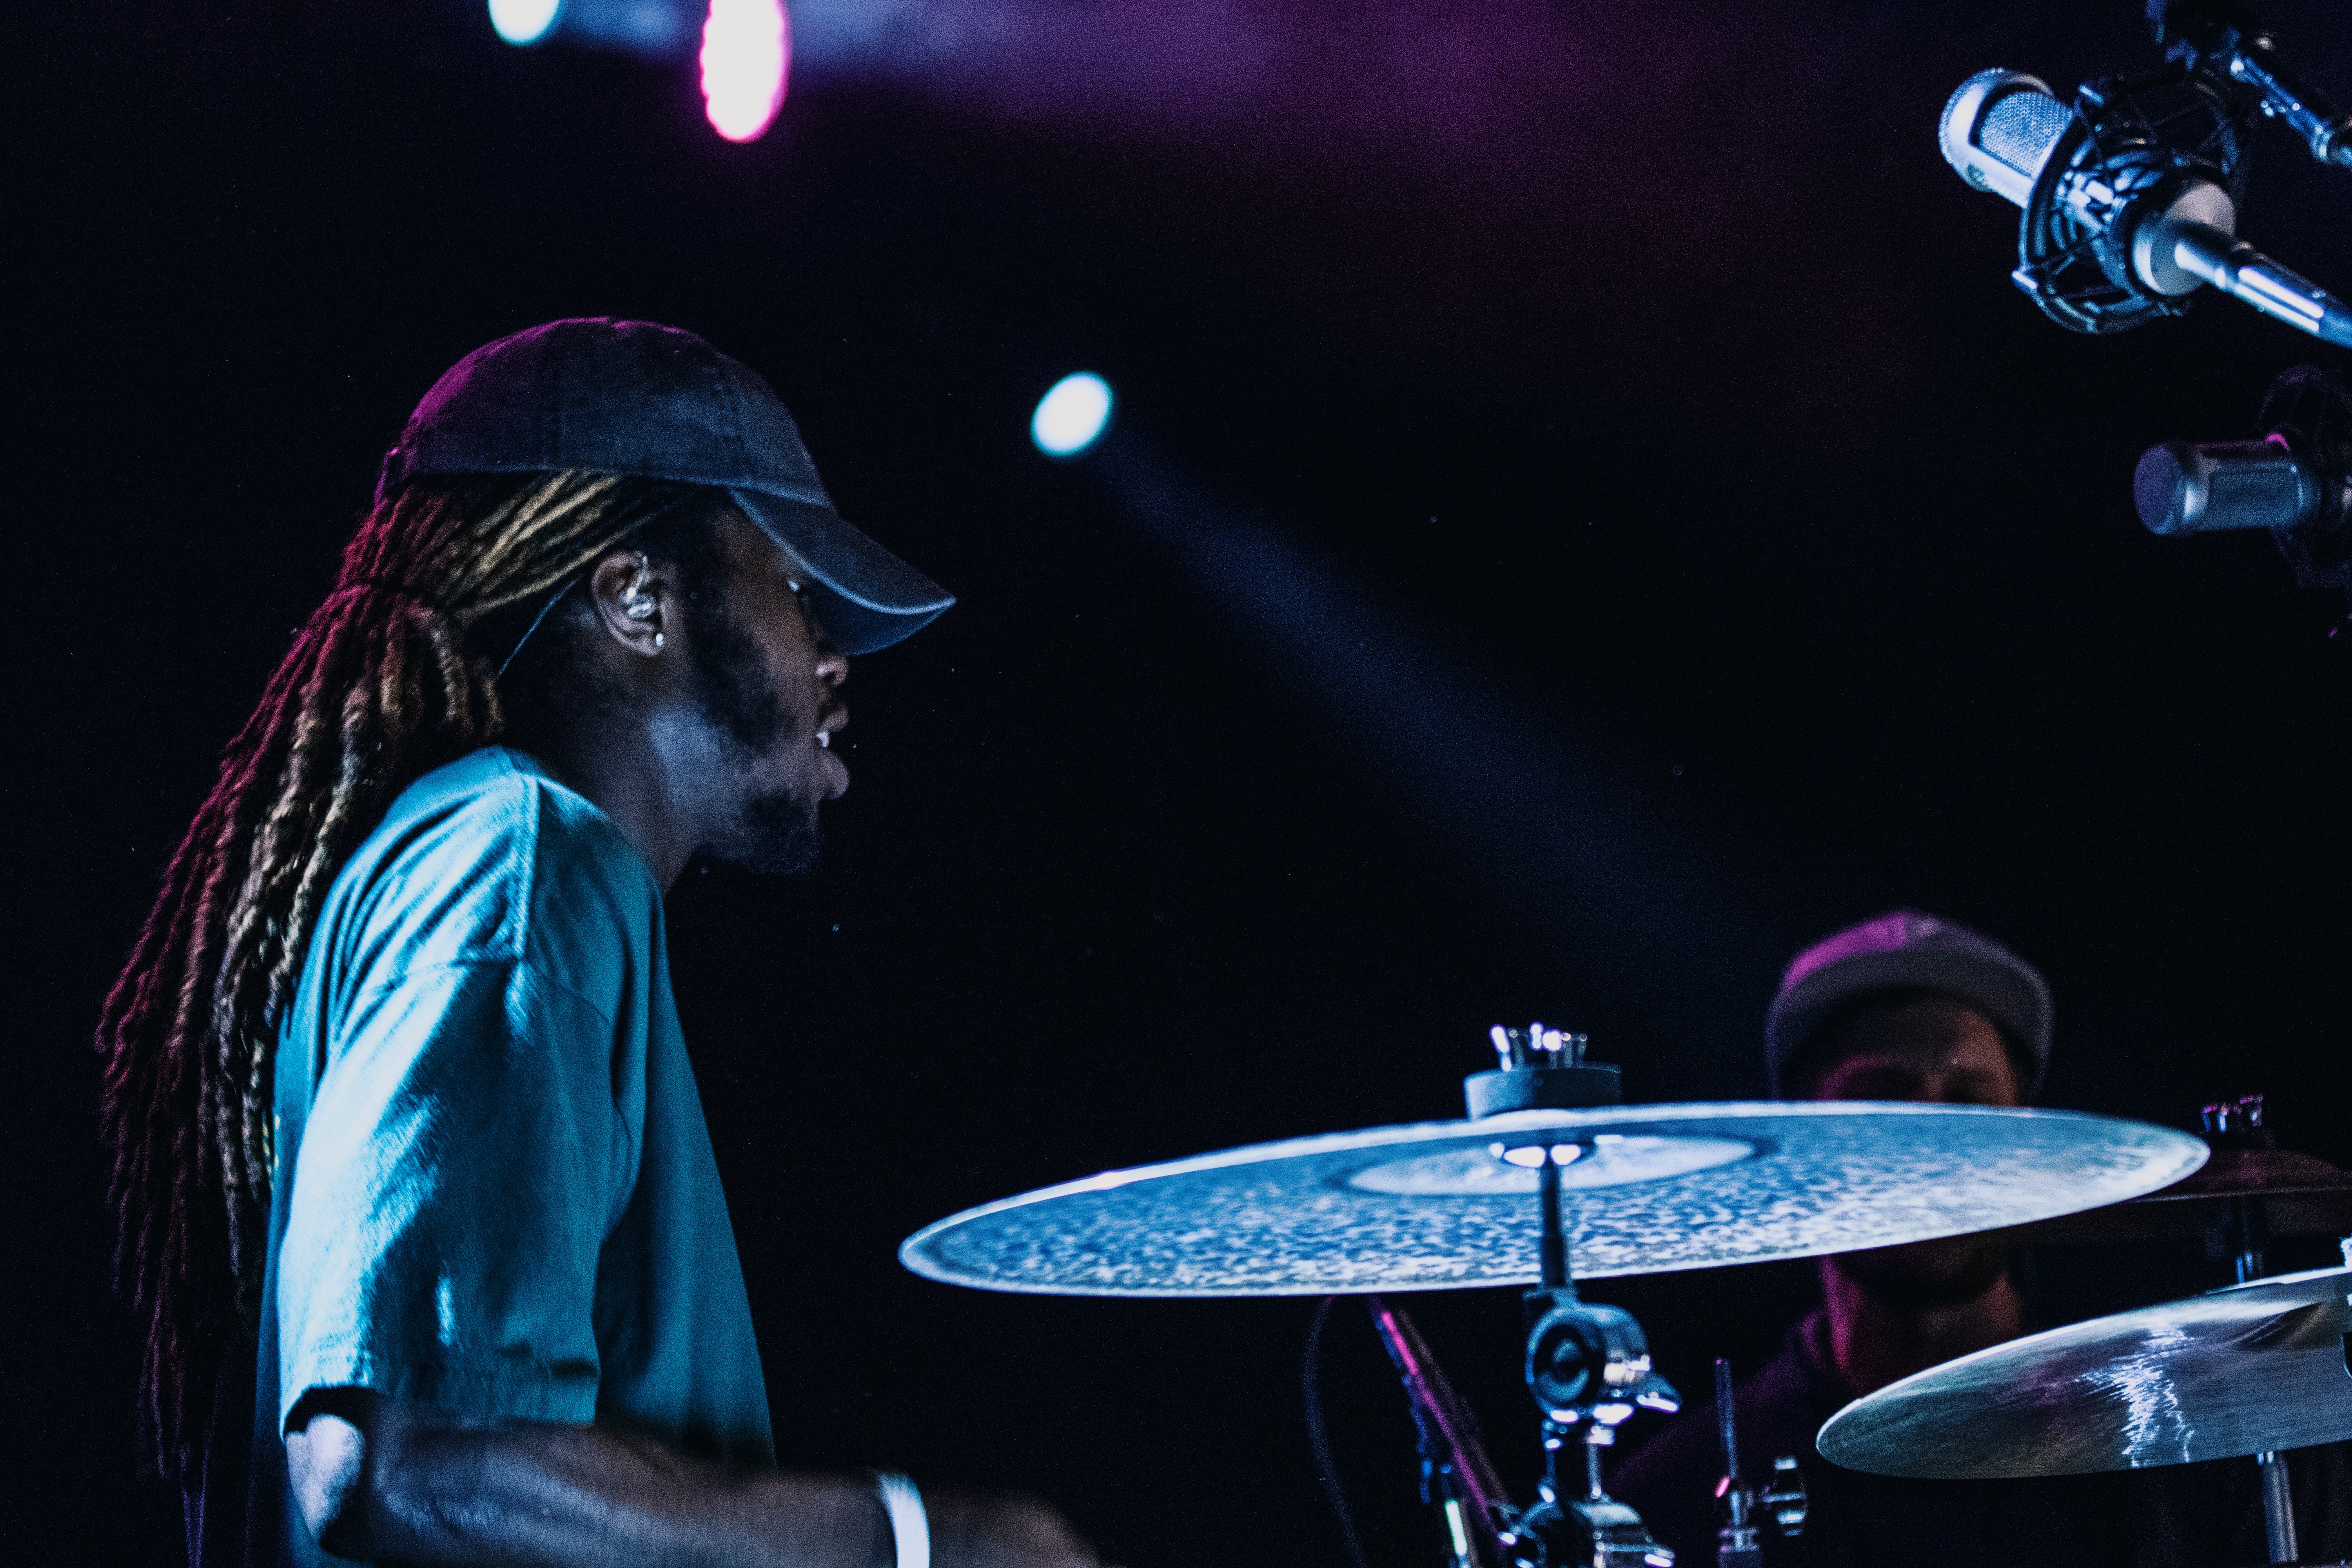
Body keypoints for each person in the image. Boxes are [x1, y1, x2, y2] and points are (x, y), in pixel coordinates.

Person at [96, 318, 1100, 1568]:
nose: (836, 660)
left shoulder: (473, 862)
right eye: (795, 592)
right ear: (637, 600)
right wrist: (923, 1541)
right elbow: (407, 1457)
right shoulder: (518, 858)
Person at [1608, 909, 2347, 1568]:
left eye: (1970, 1106)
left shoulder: (2198, 1443)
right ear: (1798, 1143)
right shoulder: (1672, 1498)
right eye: (1886, 1103)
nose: (1936, 1149)